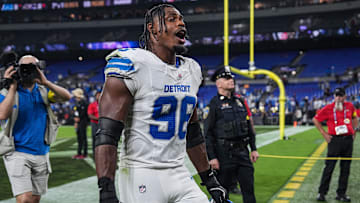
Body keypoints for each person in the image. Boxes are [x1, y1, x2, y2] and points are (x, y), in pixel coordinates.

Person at [94, 4, 229, 203]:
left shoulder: (191, 69)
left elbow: (192, 133)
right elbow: (107, 133)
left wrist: (210, 180)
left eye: (181, 19)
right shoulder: (131, 64)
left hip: (179, 173)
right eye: (172, 19)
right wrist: (106, 189)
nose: (181, 23)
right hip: (140, 172)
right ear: (153, 28)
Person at [0, 55, 71, 203]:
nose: (28, 71)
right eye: (24, 67)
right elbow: (2, 114)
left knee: (34, 200)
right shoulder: (7, 93)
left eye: (32, 67)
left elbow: (66, 97)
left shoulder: (44, 91)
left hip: (41, 152)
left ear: (39, 69)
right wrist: (12, 87)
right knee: (25, 199)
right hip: (17, 151)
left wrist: (46, 82)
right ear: (17, 70)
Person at [203, 67, 259, 203]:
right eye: (226, 78)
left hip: (243, 153)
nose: (231, 80)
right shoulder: (214, 105)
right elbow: (207, 134)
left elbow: (248, 128)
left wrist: (254, 148)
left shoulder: (240, 102)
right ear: (218, 83)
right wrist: (212, 158)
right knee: (222, 193)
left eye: (231, 78)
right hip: (224, 154)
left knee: (249, 191)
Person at [313, 87, 358, 202]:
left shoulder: (350, 106)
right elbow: (315, 119)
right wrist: (324, 134)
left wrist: (355, 131)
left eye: (340, 96)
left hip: (347, 140)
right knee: (329, 167)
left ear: (344, 97)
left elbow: (354, 117)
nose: (338, 98)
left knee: (345, 168)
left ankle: (341, 193)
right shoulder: (328, 108)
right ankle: (322, 193)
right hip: (334, 140)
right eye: (336, 95)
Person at [72, 88, 89, 159]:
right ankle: (79, 153)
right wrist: (75, 119)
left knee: (83, 137)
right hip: (78, 122)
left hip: (83, 122)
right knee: (79, 138)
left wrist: (78, 119)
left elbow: (84, 113)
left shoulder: (84, 102)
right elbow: (75, 112)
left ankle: (85, 154)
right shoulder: (77, 102)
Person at [88, 91, 100, 159]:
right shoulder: (92, 105)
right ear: (95, 97)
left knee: (103, 139)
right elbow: (90, 115)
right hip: (94, 123)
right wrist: (99, 118)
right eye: (97, 95)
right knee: (94, 138)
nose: (99, 97)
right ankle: (94, 153)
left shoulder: (104, 104)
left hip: (102, 123)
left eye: (100, 95)